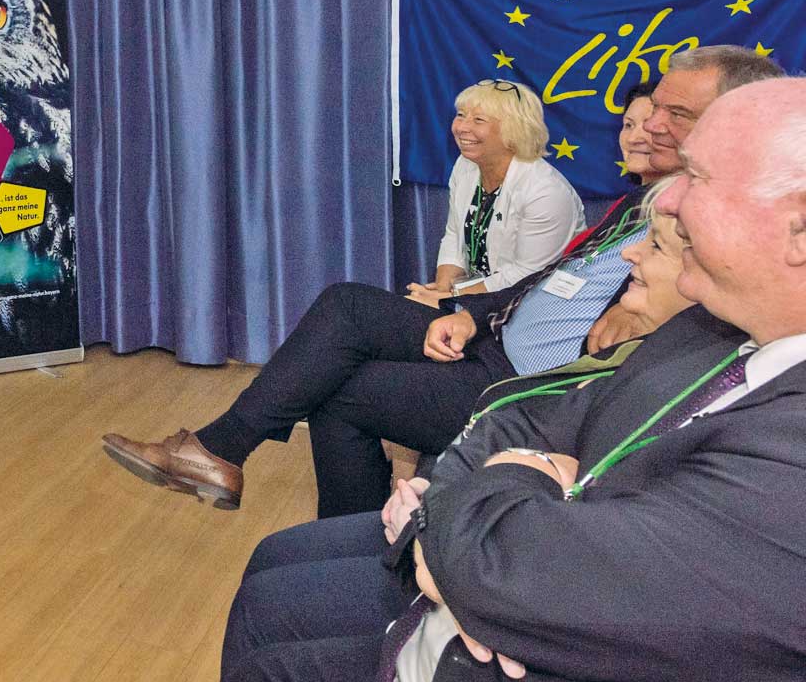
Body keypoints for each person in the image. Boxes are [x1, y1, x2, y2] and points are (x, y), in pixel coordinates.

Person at [197, 77, 806, 682]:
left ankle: (226, 450)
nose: (666, 197)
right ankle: (230, 452)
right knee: (341, 349)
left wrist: (479, 540)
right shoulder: (709, 331)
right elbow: (527, 426)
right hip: (478, 483)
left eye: (696, 173)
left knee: (271, 644)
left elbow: (518, 566)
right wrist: (498, 501)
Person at [101, 45, 779, 518]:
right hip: (491, 334)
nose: (652, 124)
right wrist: (469, 311)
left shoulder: (720, 233)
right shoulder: (644, 201)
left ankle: (296, 513)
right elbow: (543, 281)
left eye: (676, 116)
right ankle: (230, 460)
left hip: (527, 381)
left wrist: (636, 326)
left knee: (339, 392)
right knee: (345, 307)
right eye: (653, 108)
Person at [403, 79, 582, 305]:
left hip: (530, 307)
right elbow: (455, 234)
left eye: (478, 120)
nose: (461, 128)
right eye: (460, 115)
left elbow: (526, 276)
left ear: (513, 130)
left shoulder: (545, 192)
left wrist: (450, 299)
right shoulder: (465, 165)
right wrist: (441, 289)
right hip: (474, 298)